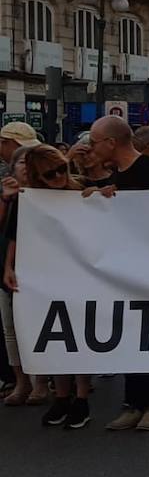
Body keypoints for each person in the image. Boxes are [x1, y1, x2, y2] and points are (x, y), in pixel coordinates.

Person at [83, 117, 149, 431]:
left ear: (111, 143)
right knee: (129, 335)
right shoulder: (114, 178)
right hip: (122, 271)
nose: (91, 148)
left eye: (95, 141)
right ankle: (133, 402)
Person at [4, 145, 92, 426]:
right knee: (55, 338)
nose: (58, 176)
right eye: (50, 173)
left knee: (76, 337)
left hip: (78, 274)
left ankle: (81, 399)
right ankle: (62, 397)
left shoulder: (82, 191)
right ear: (37, 177)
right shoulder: (28, 199)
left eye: (61, 169)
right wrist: (8, 266)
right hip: (45, 275)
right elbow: (15, 234)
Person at [0, 147, 47, 408]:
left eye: (31, 163)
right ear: (13, 166)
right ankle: (21, 381)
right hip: (9, 270)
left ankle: (41, 381)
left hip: (41, 269)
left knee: (39, 325)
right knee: (11, 329)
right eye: (21, 162)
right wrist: (7, 199)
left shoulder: (49, 193)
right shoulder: (7, 194)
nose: (26, 168)